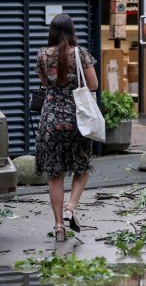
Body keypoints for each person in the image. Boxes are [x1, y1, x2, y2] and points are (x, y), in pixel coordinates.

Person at [35, 13, 99, 243]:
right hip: (77, 119)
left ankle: (59, 225)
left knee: (55, 175)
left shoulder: (43, 55)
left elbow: (44, 83)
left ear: (52, 31)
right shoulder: (81, 54)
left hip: (51, 119)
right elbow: (93, 85)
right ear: (72, 31)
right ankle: (71, 207)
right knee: (82, 167)